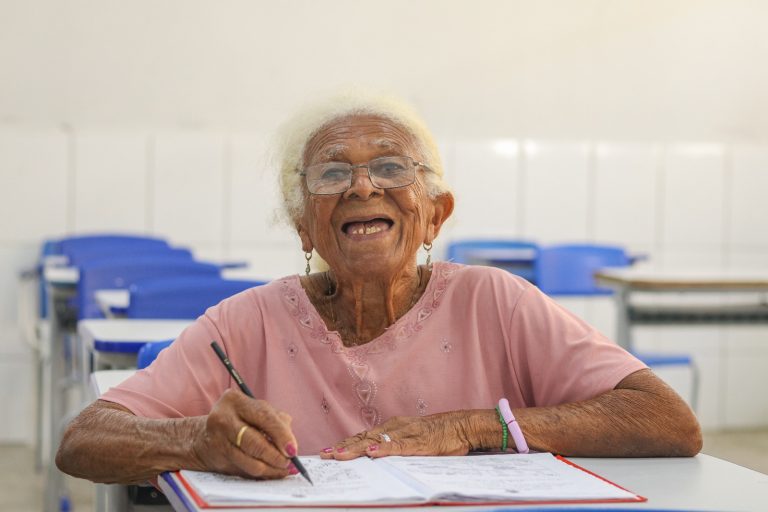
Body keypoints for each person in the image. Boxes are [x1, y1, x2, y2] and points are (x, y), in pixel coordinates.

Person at [56, 91, 701, 484]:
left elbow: (667, 420)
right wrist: (196, 441)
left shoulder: (495, 302)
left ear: (434, 214)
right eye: (333, 173)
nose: (363, 187)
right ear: (304, 225)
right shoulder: (244, 322)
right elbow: (85, 438)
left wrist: (477, 427)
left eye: (391, 167)